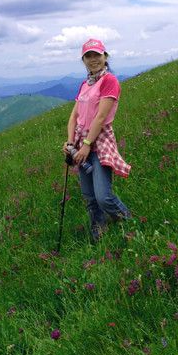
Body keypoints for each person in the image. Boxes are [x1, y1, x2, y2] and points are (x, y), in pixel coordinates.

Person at [62, 38, 132, 243]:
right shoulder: (85, 84)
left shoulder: (109, 81)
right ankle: (98, 232)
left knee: (103, 196)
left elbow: (101, 117)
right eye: (88, 56)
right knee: (90, 197)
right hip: (80, 143)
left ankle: (128, 221)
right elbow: (74, 116)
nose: (93, 60)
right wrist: (69, 143)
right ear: (83, 60)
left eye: (97, 55)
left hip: (99, 143)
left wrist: (85, 146)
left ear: (105, 57)